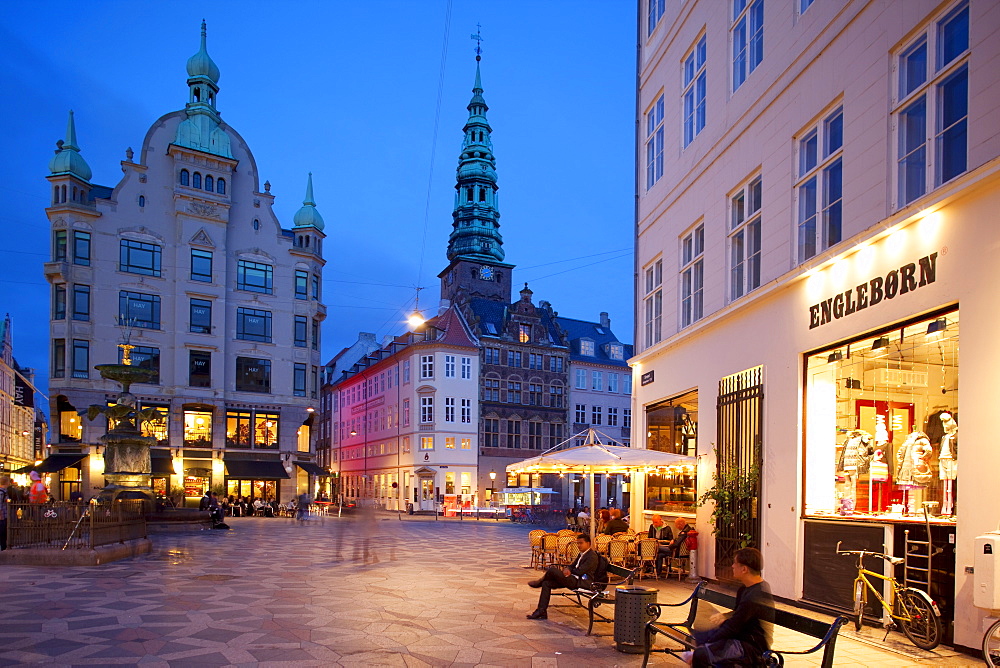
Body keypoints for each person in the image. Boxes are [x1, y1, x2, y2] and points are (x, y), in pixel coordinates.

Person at [681, 547, 774, 666]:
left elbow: (734, 626)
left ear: (744, 569)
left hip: (750, 646)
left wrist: (710, 643)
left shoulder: (755, 596)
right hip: (741, 636)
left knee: (701, 653)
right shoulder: (746, 588)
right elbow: (738, 617)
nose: (732, 566)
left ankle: (697, 654)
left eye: (735, 563)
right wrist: (723, 618)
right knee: (701, 637)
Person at [526, 534, 599, 620]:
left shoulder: (591, 556)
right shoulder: (582, 554)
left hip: (582, 582)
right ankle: (541, 611)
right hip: (573, 578)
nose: (579, 545)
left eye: (581, 543)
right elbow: (572, 565)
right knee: (546, 583)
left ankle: (539, 583)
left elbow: (580, 571)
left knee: (552, 570)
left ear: (588, 543)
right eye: (577, 543)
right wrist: (568, 568)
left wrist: (569, 572)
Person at [0, 475, 9, 551]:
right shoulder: (1, 492)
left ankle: (4, 546)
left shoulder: (5, 492)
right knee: (2, 532)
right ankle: (3, 547)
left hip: (5, 514)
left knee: (4, 532)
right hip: (2, 515)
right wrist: (1, 515)